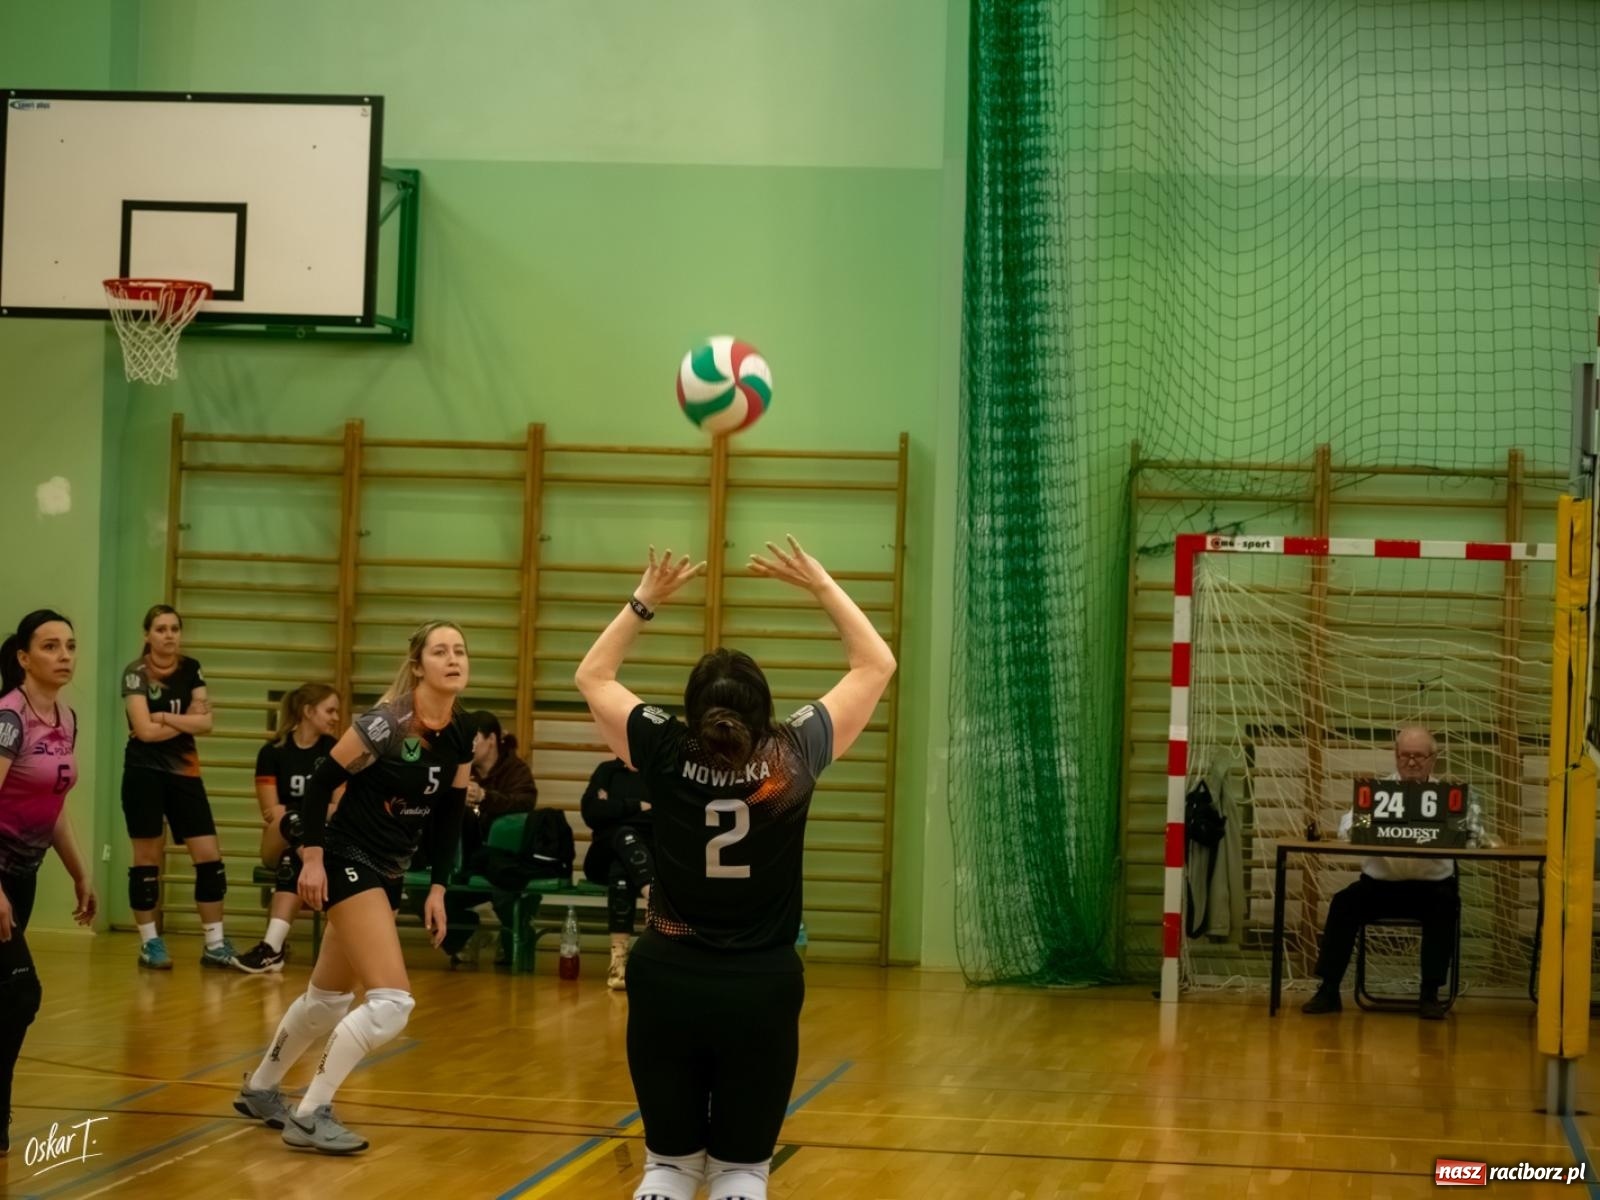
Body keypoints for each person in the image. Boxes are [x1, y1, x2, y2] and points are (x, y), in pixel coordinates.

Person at [575, 538, 895, 1200]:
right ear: (765, 708)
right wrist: (820, 584)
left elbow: (593, 677)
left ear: (693, 712)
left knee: (667, 1167)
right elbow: (876, 663)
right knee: (741, 1173)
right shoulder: (793, 755)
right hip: (761, 985)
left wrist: (645, 600)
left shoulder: (662, 747)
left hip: (667, 977)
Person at [232, 620, 472, 1155]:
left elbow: (450, 814)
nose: (454, 659)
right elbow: (320, 783)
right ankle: (310, 1114)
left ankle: (261, 1089)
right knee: (391, 1004)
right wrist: (312, 859)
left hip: (388, 870)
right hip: (346, 860)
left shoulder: (461, 729)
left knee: (327, 1002)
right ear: (418, 667)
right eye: (440, 651)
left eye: (460, 650)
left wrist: (439, 887)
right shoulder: (387, 724)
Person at [0, 610, 97, 1154]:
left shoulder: (66, 718)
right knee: (21, 991)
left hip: (24, 877)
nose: (64, 656)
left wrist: (80, 871)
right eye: (50, 646)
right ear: (23, 657)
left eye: (70, 646)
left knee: (4, 995)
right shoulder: (9, 719)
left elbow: (53, 804)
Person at [1301, 725, 1459, 1020]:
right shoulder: (1377, 793)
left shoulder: (1448, 796)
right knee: (1344, 902)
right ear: (1396, 756)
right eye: (1405, 755)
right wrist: (1370, 824)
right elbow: (1346, 828)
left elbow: (1470, 833)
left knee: (1447, 905)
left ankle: (1430, 994)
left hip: (1432, 890)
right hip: (1380, 887)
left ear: (1433, 759)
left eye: (1419, 756)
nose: (1411, 762)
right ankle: (1329, 989)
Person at [120, 604, 232, 970]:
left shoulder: (191, 667)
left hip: (185, 772)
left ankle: (215, 943)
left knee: (210, 858)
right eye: (161, 629)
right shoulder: (135, 673)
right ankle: (149, 943)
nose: (169, 635)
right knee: (146, 861)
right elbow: (144, 732)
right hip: (143, 773)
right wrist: (186, 721)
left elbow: (207, 724)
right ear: (147, 635)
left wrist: (165, 717)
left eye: (174, 628)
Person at [234, 683, 341, 974]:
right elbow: (271, 813)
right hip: (279, 838)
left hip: (316, 844)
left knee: (291, 858)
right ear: (308, 711)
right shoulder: (272, 752)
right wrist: (310, 812)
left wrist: (295, 810)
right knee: (289, 823)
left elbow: (339, 808)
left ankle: (272, 948)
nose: (336, 717)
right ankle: (307, 853)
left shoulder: (335, 751)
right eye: (330, 710)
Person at [436, 710, 539, 966]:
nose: (468, 746)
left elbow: (525, 803)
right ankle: (466, 935)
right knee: (426, 892)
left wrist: (485, 797)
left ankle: (511, 935)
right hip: (465, 858)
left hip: (502, 861)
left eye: (473, 740)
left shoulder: (516, 770)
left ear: (491, 739)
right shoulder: (460, 767)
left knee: (508, 895)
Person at [580, 756, 654, 989]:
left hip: (645, 856)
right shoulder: (607, 771)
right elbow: (591, 812)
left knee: (621, 869)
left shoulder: (656, 770)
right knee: (624, 834)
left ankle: (619, 958)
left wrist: (613, 807)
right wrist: (637, 806)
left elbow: (667, 814)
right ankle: (653, 896)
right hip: (603, 854)